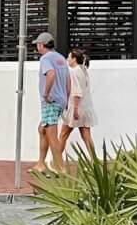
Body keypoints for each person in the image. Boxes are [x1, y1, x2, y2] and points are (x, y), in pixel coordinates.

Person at [33, 32, 70, 174]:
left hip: (51, 101)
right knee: (42, 129)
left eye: (38, 44)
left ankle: (61, 168)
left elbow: (51, 74)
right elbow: (68, 80)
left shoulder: (45, 59)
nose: (37, 47)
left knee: (51, 133)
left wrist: (46, 94)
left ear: (42, 44)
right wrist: (66, 98)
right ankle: (41, 164)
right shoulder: (61, 58)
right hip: (60, 100)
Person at [60, 48, 96, 164]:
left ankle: (56, 161)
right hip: (86, 108)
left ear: (74, 59)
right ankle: (94, 161)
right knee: (86, 136)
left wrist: (75, 109)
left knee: (63, 135)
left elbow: (76, 92)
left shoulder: (74, 71)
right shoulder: (83, 70)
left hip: (76, 108)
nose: (67, 60)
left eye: (69, 57)